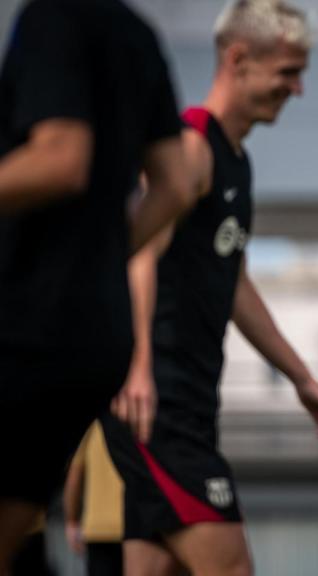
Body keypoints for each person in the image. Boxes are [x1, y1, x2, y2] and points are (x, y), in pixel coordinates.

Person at [100, 1, 318, 574]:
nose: (298, 89)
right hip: (156, 408)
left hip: (188, 405)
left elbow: (233, 282)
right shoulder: (190, 147)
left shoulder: (235, 163)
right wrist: (137, 366)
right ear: (239, 59)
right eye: (288, 72)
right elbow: (137, 253)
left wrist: (302, 378)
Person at [0, 0, 190, 567]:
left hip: (28, 322)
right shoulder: (135, 32)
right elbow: (174, 185)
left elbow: (61, 157)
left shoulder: (51, 19)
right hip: (91, 332)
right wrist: (103, 262)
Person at [64, 422, 125, 576]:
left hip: (98, 527)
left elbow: (74, 476)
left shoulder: (93, 424)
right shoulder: (143, 413)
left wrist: (71, 520)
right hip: (138, 525)